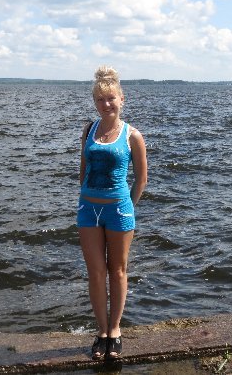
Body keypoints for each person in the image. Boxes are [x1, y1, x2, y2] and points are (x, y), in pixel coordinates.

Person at [77, 65, 147, 360]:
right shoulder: (88, 131)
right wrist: (86, 199)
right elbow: (83, 171)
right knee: (95, 272)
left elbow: (141, 179)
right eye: (100, 100)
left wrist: (126, 206)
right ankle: (102, 332)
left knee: (117, 270)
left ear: (122, 99)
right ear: (95, 102)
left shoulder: (133, 136)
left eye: (111, 98)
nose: (106, 104)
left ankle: (115, 330)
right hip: (88, 210)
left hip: (118, 210)